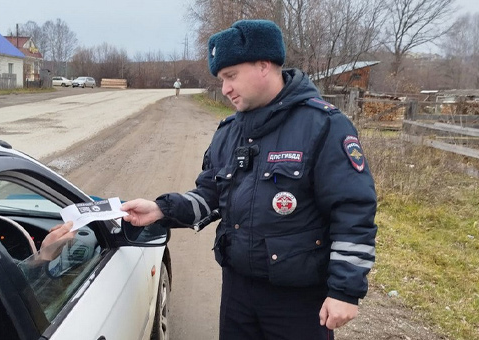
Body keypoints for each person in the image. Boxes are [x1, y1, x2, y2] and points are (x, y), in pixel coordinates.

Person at [121, 19, 377, 340]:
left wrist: (344, 291)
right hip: (238, 292)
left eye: (231, 76)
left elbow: (353, 210)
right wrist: (161, 210)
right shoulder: (229, 132)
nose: (225, 88)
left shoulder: (323, 126)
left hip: (298, 300)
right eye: (221, 78)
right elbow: (210, 196)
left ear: (264, 65)